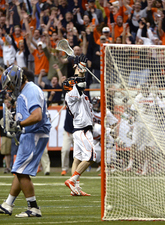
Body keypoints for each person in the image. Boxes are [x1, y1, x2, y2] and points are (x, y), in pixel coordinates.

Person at [0, 65, 51, 217]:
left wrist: (18, 124)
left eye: (11, 84)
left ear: (18, 80)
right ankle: (7, 204)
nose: (10, 88)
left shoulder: (30, 90)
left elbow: (37, 115)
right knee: (19, 170)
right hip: (30, 133)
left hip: (35, 134)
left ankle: (33, 208)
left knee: (21, 171)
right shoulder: (25, 91)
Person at [63, 54, 97, 196]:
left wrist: (80, 68)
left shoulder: (79, 93)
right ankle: (73, 180)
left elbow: (81, 85)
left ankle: (75, 188)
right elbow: (81, 83)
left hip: (81, 129)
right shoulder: (70, 94)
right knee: (91, 157)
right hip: (81, 130)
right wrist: (80, 69)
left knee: (77, 158)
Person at [0, 98, 13, 173]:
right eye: (5, 102)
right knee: (6, 151)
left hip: (15, 134)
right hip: (5, 134)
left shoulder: (15, 111)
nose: (7, 104)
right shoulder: (1, 112)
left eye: (8, 102)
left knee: (15, 151)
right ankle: (8, 167)